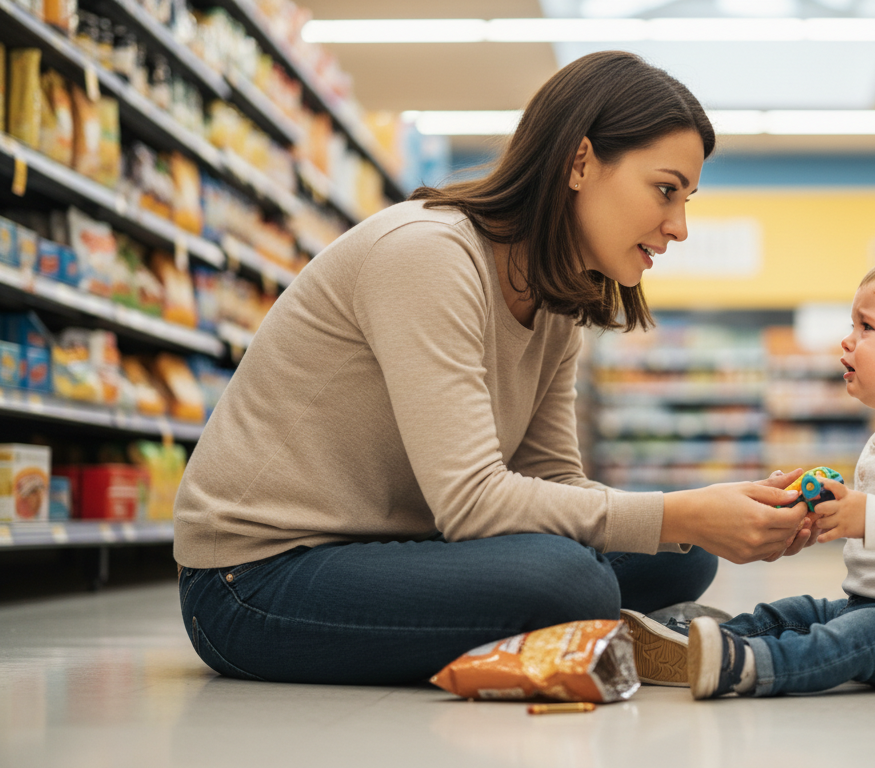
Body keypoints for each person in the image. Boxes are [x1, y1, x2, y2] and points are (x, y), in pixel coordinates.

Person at [173, 51, 819, 686]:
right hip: (254, 580)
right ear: (580, 162)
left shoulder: (559, 300)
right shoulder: (429, 256)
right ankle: (602, 624)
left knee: (683, 559)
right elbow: (472, 503)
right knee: (574, 579)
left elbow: (554, 482)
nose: (679, 226)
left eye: (687, 199)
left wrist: (697, 518)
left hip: (395, 547)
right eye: (665, 190)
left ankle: (595, 626)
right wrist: (676, 512)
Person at [628, 254, 875, 698]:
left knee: (854, 640)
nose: (847, 342)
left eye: (866, 327)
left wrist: (864, 515)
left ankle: (747, 664)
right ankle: (693, 638)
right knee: (793, 612)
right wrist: (819, 509)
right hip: (873, 606)